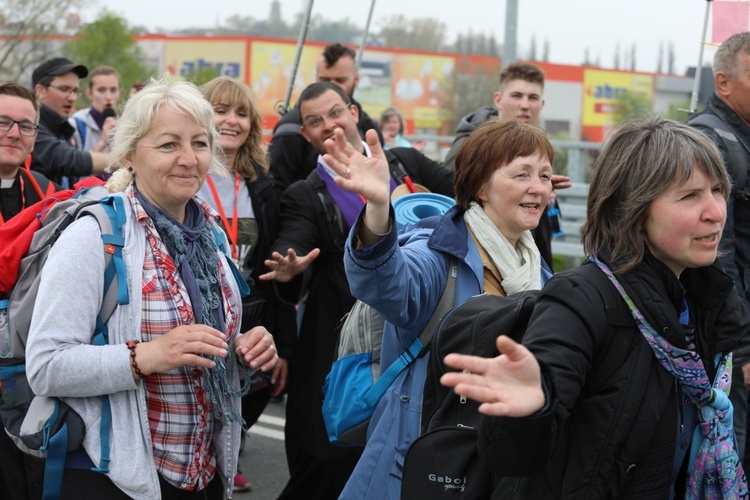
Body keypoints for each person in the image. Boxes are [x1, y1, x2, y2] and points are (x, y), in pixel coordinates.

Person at [441, 117, 750, 498]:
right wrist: (527, 413)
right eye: (690, 196)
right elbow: (513, 458)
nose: (716, 211)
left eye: (718, 190)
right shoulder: (581, 299)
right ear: (634, 210)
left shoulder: (707, 298)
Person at [24, 75, 279, 499]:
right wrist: (149, 356)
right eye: (168, 145)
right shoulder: (96, 235)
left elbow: (205, 347)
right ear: (129, 154)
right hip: (115, 476)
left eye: (199, 143)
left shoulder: (209, 235)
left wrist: (244, 349)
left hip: (202, 473)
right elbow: (47, 366)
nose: (188, 158)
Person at [319, 118, 555, 498]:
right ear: (480, 184)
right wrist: (379, 207)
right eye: (522, 174)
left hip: (493, 462)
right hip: (417, 462)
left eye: (545, 175)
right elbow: (386, 282)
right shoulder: (438, 251)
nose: (537, 187)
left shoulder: (538, 271)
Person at [260, 81, 453, 500]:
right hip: (343, 342)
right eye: (315, 121)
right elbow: (292, 240)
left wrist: (518, 178)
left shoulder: (402, 163)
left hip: (420, 328)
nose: (329, 125)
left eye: (334, 113)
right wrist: (288, 266)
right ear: (307, 134)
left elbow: (460, 185)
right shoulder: (305, 193)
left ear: (353, 112)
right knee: (329, 457)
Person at [197, 75, 296, 493]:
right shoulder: (186, 172)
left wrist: (289, 274)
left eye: (241, 113)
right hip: (197, 308)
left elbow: (274, 263)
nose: (231, 120)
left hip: (250, 311)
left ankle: (227, 455)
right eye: (220, 110)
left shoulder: (262, 183)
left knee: (252, 391)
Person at [689, 31, 750, 466]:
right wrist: (743, 349)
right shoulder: (708, 142)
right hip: (731, 341)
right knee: (732, 458)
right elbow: (717, 257)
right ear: (723, 83)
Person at [443, 62, 568, 270]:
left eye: (533, 98)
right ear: (498, 100)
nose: (525, 105)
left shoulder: (537, 144)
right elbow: (451, 198)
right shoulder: (472, 146)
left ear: (542, 104)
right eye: (517, 96)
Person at [267, 42, 383, 199]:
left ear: (356, 79)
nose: (330, 87)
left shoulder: (370, 127)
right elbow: (277, 190)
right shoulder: (290, 130)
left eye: (340, 80)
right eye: (324, 79)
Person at [29, 57, 109, 187]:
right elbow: (66, 159)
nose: (72, 98)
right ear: (40, 91)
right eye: (64, 89)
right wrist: (126, 160)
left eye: (75, 91)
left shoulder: (63, 130)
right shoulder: (29, 127)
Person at [0, 81, 56, 225]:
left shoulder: (47, 194)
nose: (15, 134)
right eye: (2, 122)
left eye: (25, 126)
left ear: (35, 137)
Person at [70, 66, 121, 153]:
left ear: (119, 93)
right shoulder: (76, 125)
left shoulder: (126, 125)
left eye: (113, 90)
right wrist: (102, 143)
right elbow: (73, 165)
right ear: (90, 93)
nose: (108, 97)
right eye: (101, 90)